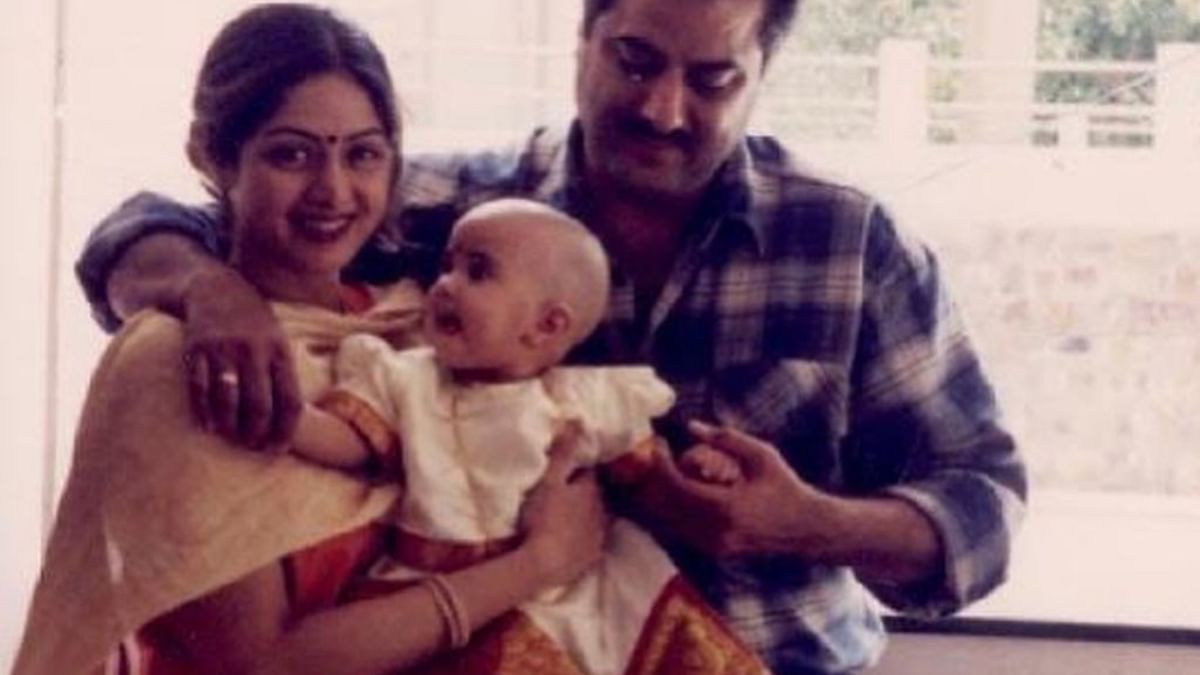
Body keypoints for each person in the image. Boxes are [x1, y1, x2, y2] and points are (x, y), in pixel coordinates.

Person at [75, 0, 1028, 671]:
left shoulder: (854, 245)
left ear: (763, 73)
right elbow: (200, 216)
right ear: (582, 36)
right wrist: (208, 288)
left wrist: (807, 522)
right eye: (636, 59)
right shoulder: (465, 213)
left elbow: (982, 501)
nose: (664, 108)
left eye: (713, 77)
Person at [16, 5, 608, 675]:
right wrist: (538, 562)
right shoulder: (186, 362)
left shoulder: (412, 324)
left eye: (363, 154)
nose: (333, 191)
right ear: (212, 156)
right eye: (291, 153)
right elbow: (265, 662)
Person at [290, 196, 765, 673]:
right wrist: (285, 420)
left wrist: (701, 466)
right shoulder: (405, 379)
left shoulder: (577, 402)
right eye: (446, 266)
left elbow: (642, 469)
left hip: (561, 593)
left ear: (547, 325)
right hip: (429, 584)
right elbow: (350, 443)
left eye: (476, 272)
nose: (444, 286)